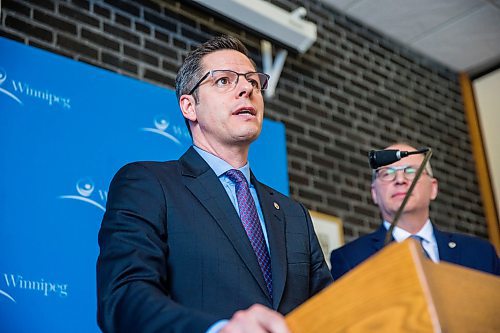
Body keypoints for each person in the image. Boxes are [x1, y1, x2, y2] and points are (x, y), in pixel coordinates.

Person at [97, 35, 332, 333]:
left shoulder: (293, 214)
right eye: (223, 81)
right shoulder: (147, 185)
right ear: (189, 106)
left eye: (253, 82)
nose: (247, 88)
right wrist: (219, 330)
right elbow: (123, 298)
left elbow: (328, 307)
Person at [330, 142, 500, 280]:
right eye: (387, 173)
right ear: (374, 193)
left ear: (433, 188)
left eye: (411, 171)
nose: (400, 180)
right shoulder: (351, 260)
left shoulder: (481, 254)